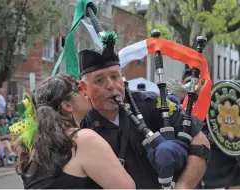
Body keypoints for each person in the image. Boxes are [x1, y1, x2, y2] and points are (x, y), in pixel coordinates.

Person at [78, 47, 211, 189]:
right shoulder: (84, 128)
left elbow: (201, 141)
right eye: (99, 80)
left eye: (115, 76)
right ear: (85, 88)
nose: (111, 85)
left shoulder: (153, 104)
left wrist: (184, 185)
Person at [12, 73, 135, 189]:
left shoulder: (34, 147)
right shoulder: (82, 139)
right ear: (67, 106)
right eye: (78, 89)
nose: (85, 90)